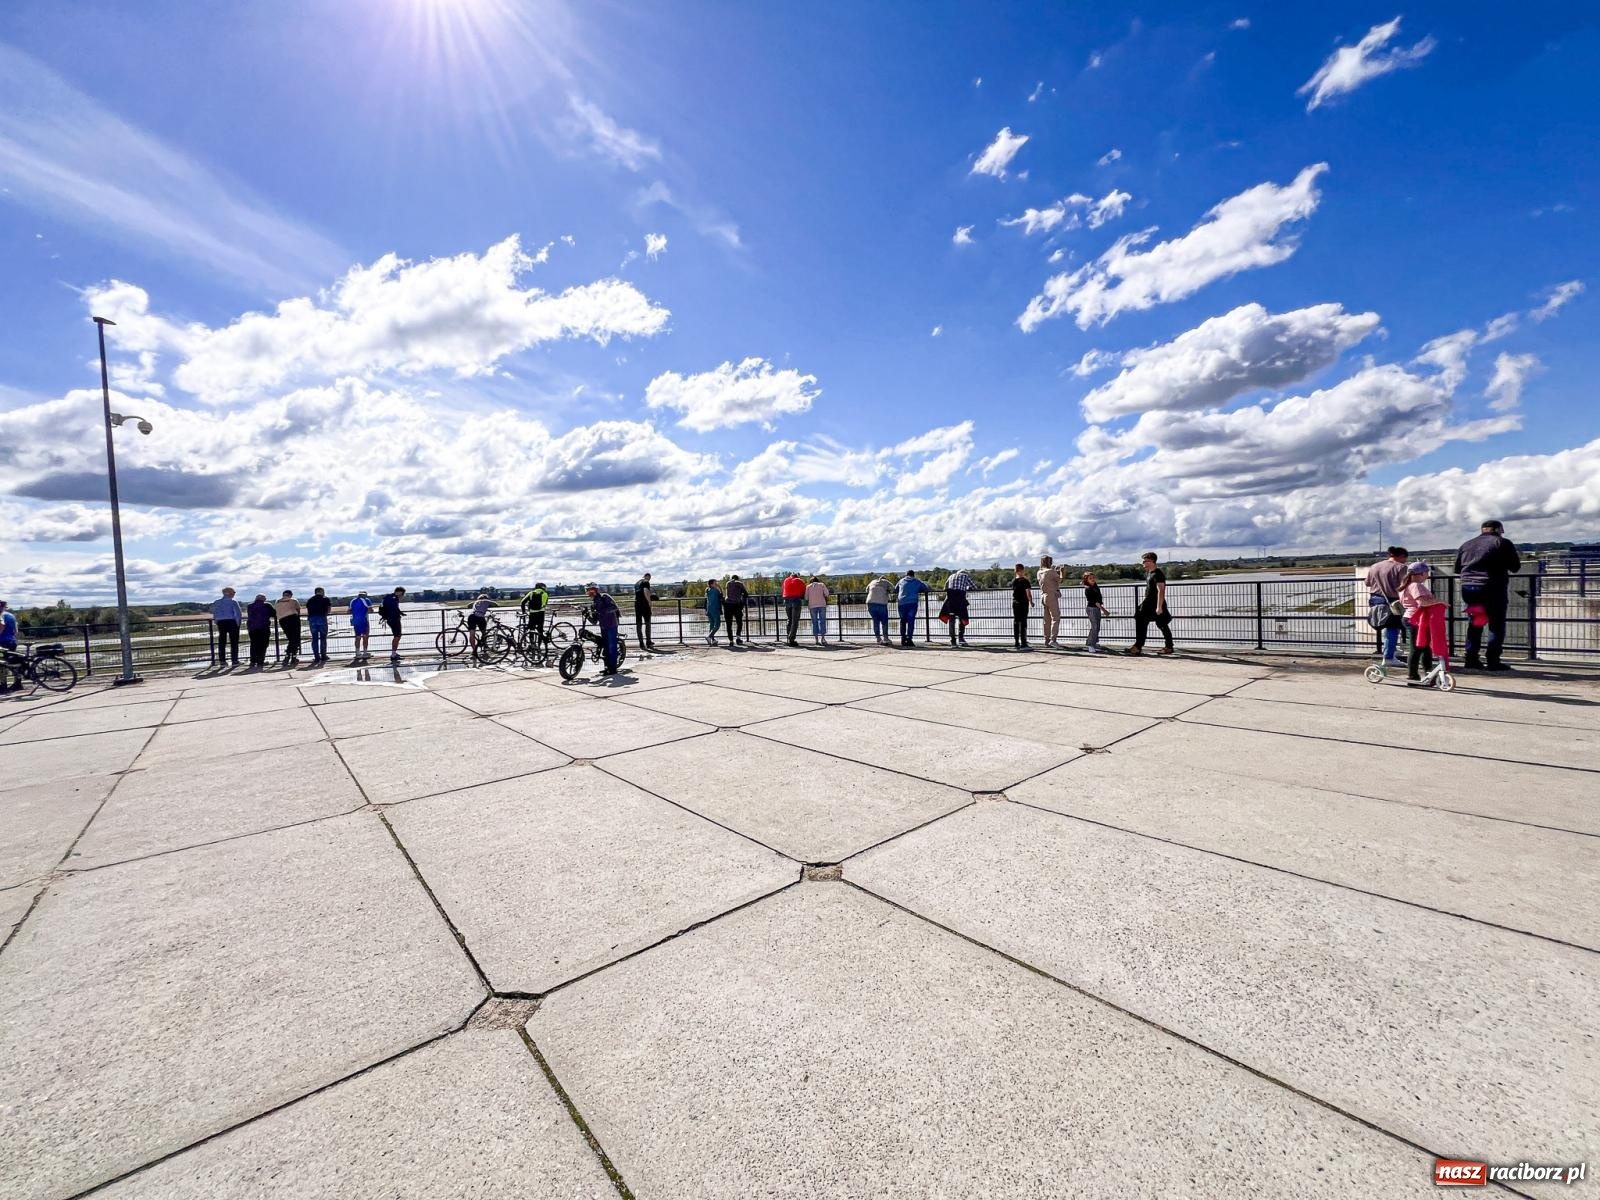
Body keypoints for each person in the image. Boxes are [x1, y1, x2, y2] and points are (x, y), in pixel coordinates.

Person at [1454, 520, 1521, 672]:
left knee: (1476, 623)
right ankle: (1493, 660)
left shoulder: (1466, 544)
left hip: (1468, 588)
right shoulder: (1502, 543)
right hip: (1492, 587)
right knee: (1496, 624)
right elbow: (1515, 567)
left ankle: (1471, 659)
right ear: (1498, 530)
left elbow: (1458, 569)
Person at [1399, 561, 1449, 685]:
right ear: (1420, 574)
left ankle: (1428, 673)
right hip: (1416, 619)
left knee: (1425, 647)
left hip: (1414, 618)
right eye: (1426, 572)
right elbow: (1422, 602)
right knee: (1417, 648)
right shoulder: (1415, 585)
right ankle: (1413, 676)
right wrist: (1440, 602)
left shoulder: (1407, 585)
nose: (1428, 575)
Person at [1364, 546, 1410, 667]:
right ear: (1401, 556)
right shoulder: (1401, 567)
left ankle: (1390, 649)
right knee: (1393, 628)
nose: (1405, 561)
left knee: (1385, 625)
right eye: (1405, 559)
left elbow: (1367, 582)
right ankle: (1389, 656)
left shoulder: (1375, 566)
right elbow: (1404, 585)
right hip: (1392, 601)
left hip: (1375, 599)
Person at [1128, 552, 1173, 656]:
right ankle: (1138, 646)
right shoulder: (1149, 573)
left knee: (1162, 625)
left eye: (1145, 561)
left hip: (1156, 604)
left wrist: (1159, 607)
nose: (1143, 563)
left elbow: (1161, 590)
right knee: (1139, 619)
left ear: (1151, 561)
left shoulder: (1158, 574)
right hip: (1148, 604)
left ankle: (1169, 647)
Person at [585, 582, 622, 675]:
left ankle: (613, 668)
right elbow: (594, 621)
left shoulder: (604, 597)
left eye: (592, 590)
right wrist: (586, 614)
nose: (590, 592)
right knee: (605, 647)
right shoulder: (593, 604)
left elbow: (614, 607)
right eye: (588, 590)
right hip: (603, 626)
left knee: (611, 647)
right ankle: (607, 667)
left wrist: (602, 611)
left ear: (596, 590)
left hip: (611, 625)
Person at [896, 570, 930, 646]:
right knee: (911, 621)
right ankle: (909, 639)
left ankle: (903, 638)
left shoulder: (901, 581)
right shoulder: (917, 581)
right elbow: (926, 588)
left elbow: (896, 589)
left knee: (903, 621)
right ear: (913, 575)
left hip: (901, 603)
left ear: (906, 575)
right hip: (912, 603)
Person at [941, 569, 974, 647]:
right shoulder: (966, 576)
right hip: (960, 600)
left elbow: (945, 587)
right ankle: (961, 639)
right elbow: (974, 587)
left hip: (950, 601)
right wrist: (967, 588)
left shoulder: (951, 576)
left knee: (951, 620)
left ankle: (953, 641)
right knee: (962, 618)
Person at [211, 586, 242, 667]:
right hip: (232, 622)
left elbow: (215, 613)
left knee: (222, 642)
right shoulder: (233, 602)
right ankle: (234, 661)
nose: (234, 594)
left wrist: (216, 621)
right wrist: (238, 623)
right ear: (229, 593)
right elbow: (237, 613)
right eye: (233, 592)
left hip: (221, 622)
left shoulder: (217, 602)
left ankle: (222, 661)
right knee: (234, 642)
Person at [1037, 555, 1063, 647]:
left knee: (1046, 619)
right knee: (1055, 618)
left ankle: (1046, 639)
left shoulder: (1039, 572)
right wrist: (1061, 572)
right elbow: (1060, 580)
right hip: (1051, 596)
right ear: (1048, 562)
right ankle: (1053, 639)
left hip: (1043, 596)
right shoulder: (1050, 571)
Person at [1082, 571, 1111, 652]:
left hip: (1096, 608)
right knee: (1094, 627)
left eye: (1093, 578)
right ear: (1086, 580)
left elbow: (1098, 598)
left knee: (1097, 627)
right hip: (1092, 609)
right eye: (1090, 578)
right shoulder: (1088, 589)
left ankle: (1094, 643)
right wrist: (1104, 610)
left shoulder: (1095, 586)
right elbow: (1095, 602)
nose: (1093, 579)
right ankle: (1090, 645)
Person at [274, 590, 302, 666]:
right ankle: (291, 656)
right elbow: (298, 610)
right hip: (293, 619)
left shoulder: (277, 602)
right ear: (290, 595)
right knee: (295, 638)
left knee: (291, 639)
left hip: (282, 621)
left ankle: (289, 656)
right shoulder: (293, 600)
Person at [378, 586, 406, 663]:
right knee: (397, 636)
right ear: (399, 592)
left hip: (389, 619)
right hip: (394, 619)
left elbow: (393, 607)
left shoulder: (388, 597)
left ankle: (394, 653)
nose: (403, 596)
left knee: (397, 636)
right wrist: (400, 613)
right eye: (403, 594)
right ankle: (393, 655)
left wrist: (400, 613)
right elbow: (394, 608)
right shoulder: (394, 598)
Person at [1010, 563, 1034, 649]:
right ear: (1022, 570)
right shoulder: (1025, 581)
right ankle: (1024, 642)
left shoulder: (1014, 581)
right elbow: (1028, 593)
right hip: (1023, 603)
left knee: (1016, 622)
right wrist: (1031, 602)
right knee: (1023, 622)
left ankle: (1016, 642)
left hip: (1015, 603)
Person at [246, 593, 273, 668]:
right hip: (264, 627)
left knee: (254, 644)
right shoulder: (267, 605)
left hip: (252, 627)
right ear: (263, 599)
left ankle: (253, 661)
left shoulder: (249, 606)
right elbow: (273, 613)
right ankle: (260, 661)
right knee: (263, 644)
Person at [306, 586, 332, 662]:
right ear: (321, 591)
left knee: (314, 638)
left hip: (312, 619)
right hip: (322, 618)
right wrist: (326, 614)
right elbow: (329, 609)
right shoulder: (325, 599)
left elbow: (308, 610)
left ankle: (316, 656)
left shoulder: (310, 600)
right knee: (323, 638)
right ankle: (323, 655)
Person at [781, 571, 806, 646]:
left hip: (786, 600)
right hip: (796, 600)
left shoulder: (786, 580)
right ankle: (791, 639)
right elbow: (804, 591)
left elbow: (783, 589)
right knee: (795, 620)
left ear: (790, 576)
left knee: (789, 619)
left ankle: (788, 638)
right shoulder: (799, 581)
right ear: (797, 576)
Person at [865, 575, 892, 645]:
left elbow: (866, 590)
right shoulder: (886, 582)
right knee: (884, 621)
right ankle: (885, 638)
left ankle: (878, 638)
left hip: (870, 603)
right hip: (881, 603)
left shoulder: (872, 581)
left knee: (875, 621)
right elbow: (893, 589)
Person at [634, 573, 656, 651]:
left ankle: (641, 643)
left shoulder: (637, 583)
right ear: (647, 577)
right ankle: (648, 642)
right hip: (644, 605)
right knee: (647, 624)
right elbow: (646, 591)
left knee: (639, 625)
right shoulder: (646, 582)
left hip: (637, 605)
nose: (649, 579)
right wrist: (650, 603)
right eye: (649, 577)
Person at [805, 575, 829, 645]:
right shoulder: (822, 585)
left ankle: (816, 639)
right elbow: (827, 594)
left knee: (814, 622)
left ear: (811, 581)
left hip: (812, 606)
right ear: (817, 580)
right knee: (822, 621)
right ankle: (823, 638)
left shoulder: (808, 587)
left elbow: (806, 598)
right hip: (822, 605)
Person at [724, 575, 747, 646]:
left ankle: (731, 640)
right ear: (738, 578)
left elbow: (727, 593)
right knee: (739, 622)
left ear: (731, 578)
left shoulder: (728, 583)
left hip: (727, 605)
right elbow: (746, 594)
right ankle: (738, 638)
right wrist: (742, 601)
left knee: (729, 624)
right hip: (737, 605)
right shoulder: (740, 583)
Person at [349, 591, 373, 661]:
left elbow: (349, 611)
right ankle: (365, 652)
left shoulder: (353, 601)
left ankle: (357, 653)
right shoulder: (367, 600)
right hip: (364, 621)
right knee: (365, 636)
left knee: (357, 637)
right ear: (365, 595)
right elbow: (370, 610)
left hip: (356, 621)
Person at [705, 579, 724, 646]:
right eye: (715, 583)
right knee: (718, 625)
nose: (716, 583)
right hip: (715, 609)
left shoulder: (707, 590)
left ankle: (712, 640)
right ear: (711, 584)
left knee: (712, 625)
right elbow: (722, 595)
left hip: (709, 609)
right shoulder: (715, 591)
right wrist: (720, 587)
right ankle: (709, 636)